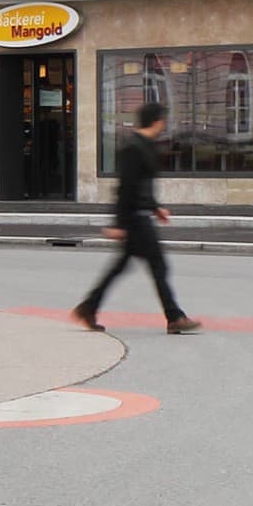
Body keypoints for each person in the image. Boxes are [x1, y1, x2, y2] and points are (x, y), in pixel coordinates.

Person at [72, 99, 200, 335]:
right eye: (163, 120)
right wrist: (119, 224)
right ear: (156, 121)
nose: (164, 124)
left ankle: (89, 307)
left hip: (140, 215)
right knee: (157, 266)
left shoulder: (146, 145)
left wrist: (155, 207)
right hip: (135, 219)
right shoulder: (133, 147)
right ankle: (174, 317)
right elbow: (126, 187)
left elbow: (143, 184)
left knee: (123, 267)